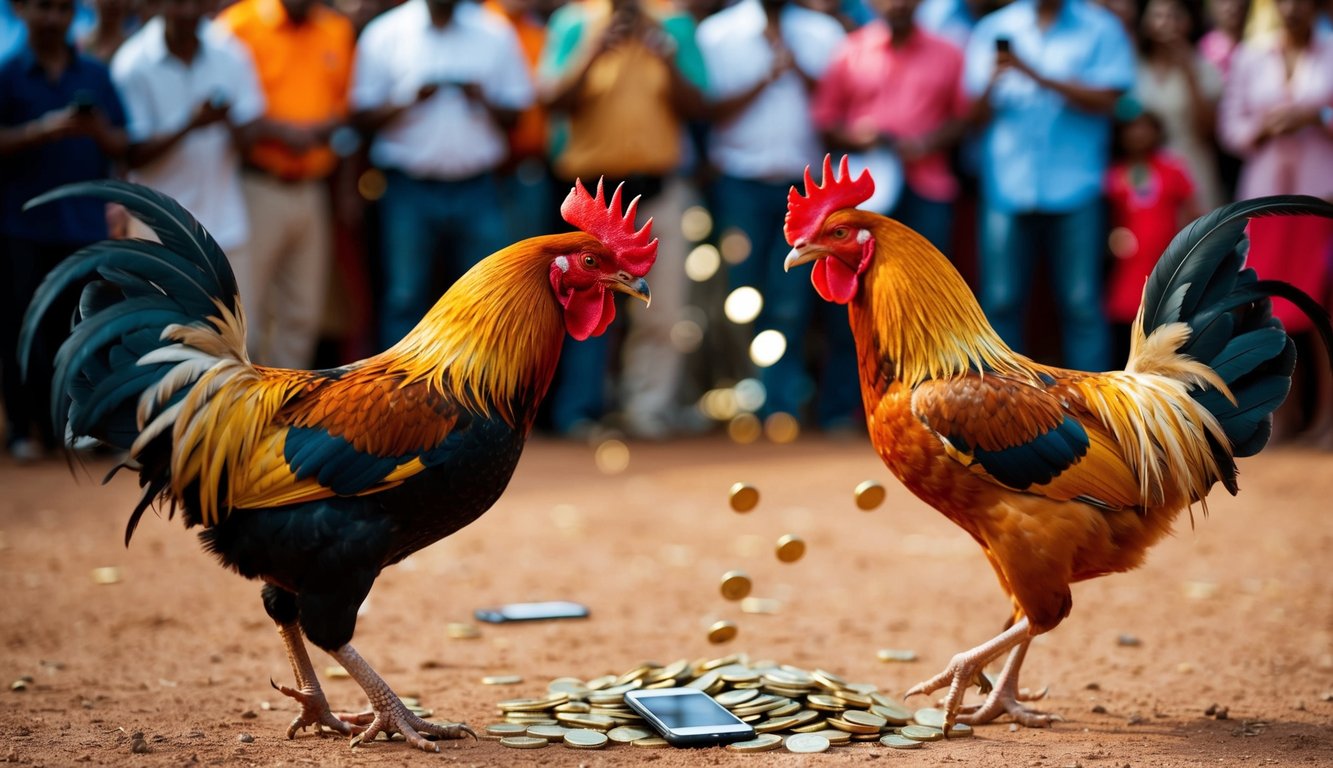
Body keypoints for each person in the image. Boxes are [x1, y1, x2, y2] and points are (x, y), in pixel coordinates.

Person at [538, 0, 707, 439]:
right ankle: (579, 412)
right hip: (591, 197)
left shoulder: (675, 26)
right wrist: (592, 50)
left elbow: (699, 105)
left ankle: (647, 409)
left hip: (657, 190)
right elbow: (550, 99)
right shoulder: (574, 23)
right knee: (583, 308)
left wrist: (666, 54)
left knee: (662, 308)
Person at [963, 0, 1136, 373]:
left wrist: (1035, 74)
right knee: (1000, 301)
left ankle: (1096, 414)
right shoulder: (993, 27)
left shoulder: (1100, 27)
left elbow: (1111, 100)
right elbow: (970, 117)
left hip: (1077, 187)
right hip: (1007, 186)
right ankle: (1003, 413)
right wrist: (991, 84)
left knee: (1081, 304)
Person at [697, 0, 846, 429]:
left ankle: (778, 405)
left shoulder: (823, 33)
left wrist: (795, 66)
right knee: (741, 295)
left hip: (803, 187)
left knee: (790, 297)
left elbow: (837, 106)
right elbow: (707, 110)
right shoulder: (718, 33)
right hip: (738, 181)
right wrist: (766, 75)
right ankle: (745, 398)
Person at [351, 0, 533, 350]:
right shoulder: (385, 34)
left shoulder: (494, 31)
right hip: (408, 189)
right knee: (405, 297)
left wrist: (481, 98)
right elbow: (360, 117)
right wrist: (408, 99)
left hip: (478, 188)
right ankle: (398, 401)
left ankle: (478, 401)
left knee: (487, 299)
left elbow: (518, 113)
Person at [0, 0, 127, 461]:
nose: (53, 18)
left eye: (61, 9)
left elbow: (121, 142)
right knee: (20, 332)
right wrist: (42, 130)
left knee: (85, 331)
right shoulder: (8, 72)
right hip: (21, 224)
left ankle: (83, 427)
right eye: (43, 8)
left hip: (84, 223)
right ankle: (22, 429)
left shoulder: (95, 74)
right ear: (21, 11)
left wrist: (95, 131)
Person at [216, 0, 355, 369]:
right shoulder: (239, 25)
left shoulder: (335, 30)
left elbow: (345, 107)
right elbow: (220, 104)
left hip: (312, 189)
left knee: (303, 312)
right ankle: (242, 408)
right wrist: (278, 132)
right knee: (248, 310)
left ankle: (285, 414)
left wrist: (322, 130)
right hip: (258, 185)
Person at [1218, 0, 1333, 444]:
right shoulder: (1251, 55)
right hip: (1266, 200)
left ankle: (1325, 419)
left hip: (1320, 196)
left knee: (1321, 306)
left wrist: (1316, 116)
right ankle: (1282, 417)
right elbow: (1230, 127)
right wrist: (1264, 128)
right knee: (1271, 310)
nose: (1292, 7)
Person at [111, 0, 266, 302]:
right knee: (162, 342)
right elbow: (132, 154)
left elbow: (251, 141)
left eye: (197, 3)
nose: (188, 12)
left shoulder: (230, 54)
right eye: (180, 4)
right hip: (158, 234)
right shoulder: (132, 63)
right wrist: (191, 124)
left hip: (225, 228)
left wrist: (227, 119)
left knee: (232, 344)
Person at [814, 0, 969, 253]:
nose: (898, 4)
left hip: (927, 185)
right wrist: (859, 138)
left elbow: (963, 118)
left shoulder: (948, 53)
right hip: (865, 189)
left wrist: (926, 144)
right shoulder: (850, 50)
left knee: (927, 280)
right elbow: (825, 119)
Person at [1104, 106, 1198, 364]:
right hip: (1127, 268)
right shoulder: (1113, 175)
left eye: (1145, 127)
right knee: (1126, 331)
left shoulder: (1173, 169)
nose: (1139, 134)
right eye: (1131, 128)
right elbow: (1107, 220)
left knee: (1168, 331)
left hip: (1165, 265)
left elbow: (1193, 213)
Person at [1134, 0, 1224, 210]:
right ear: (1145, 23)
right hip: (1144, 174)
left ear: (1189, 21)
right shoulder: (1134, 67)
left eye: (1174, 16)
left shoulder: (1204, 67)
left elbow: (1209, 130)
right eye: (1158, 16)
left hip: (1192, 167)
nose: (1166, 23)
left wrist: (1189, 72)